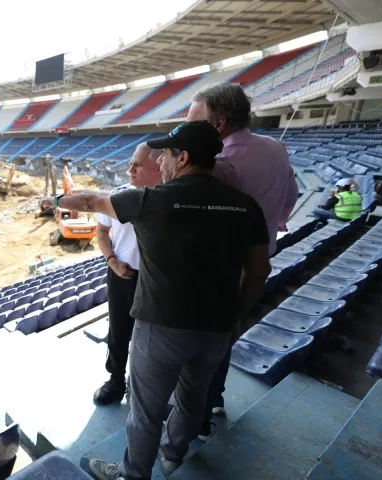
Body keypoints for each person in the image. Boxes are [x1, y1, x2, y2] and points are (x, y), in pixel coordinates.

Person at [40, 121, 270, 480]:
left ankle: (132, 475)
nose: (160, 162)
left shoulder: (151, 201)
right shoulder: (246, 207)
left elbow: (88, 200)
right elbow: (258, 271)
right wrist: (237, 316)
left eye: (164, 154)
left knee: (146, 411)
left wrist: (52, 200)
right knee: (193, 400)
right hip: (216, 327)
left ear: (183, 157)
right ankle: (174, 455)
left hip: (160, 327)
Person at [186, 82, 298, 437]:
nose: (189, 128)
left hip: (223, 266)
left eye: (194, 120)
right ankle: (214, 398)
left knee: (204, 343)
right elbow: (292, 195)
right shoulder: (276, 148)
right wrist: (273, 223)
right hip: (260, 257)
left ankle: (197, 419)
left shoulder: (221, 165)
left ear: (217, 124)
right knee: (227, 333)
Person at [93, 143, 162, 405]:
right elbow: (101, 232)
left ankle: (143, 384)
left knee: (154, 337)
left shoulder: (170, 201)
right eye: (131, 163)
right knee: (119, 331)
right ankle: (116, 380)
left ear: (158, 166)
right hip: (123, 277)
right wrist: (112, 261)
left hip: (157, 282)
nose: (129, 168)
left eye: (137, 164)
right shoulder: (118, 198)